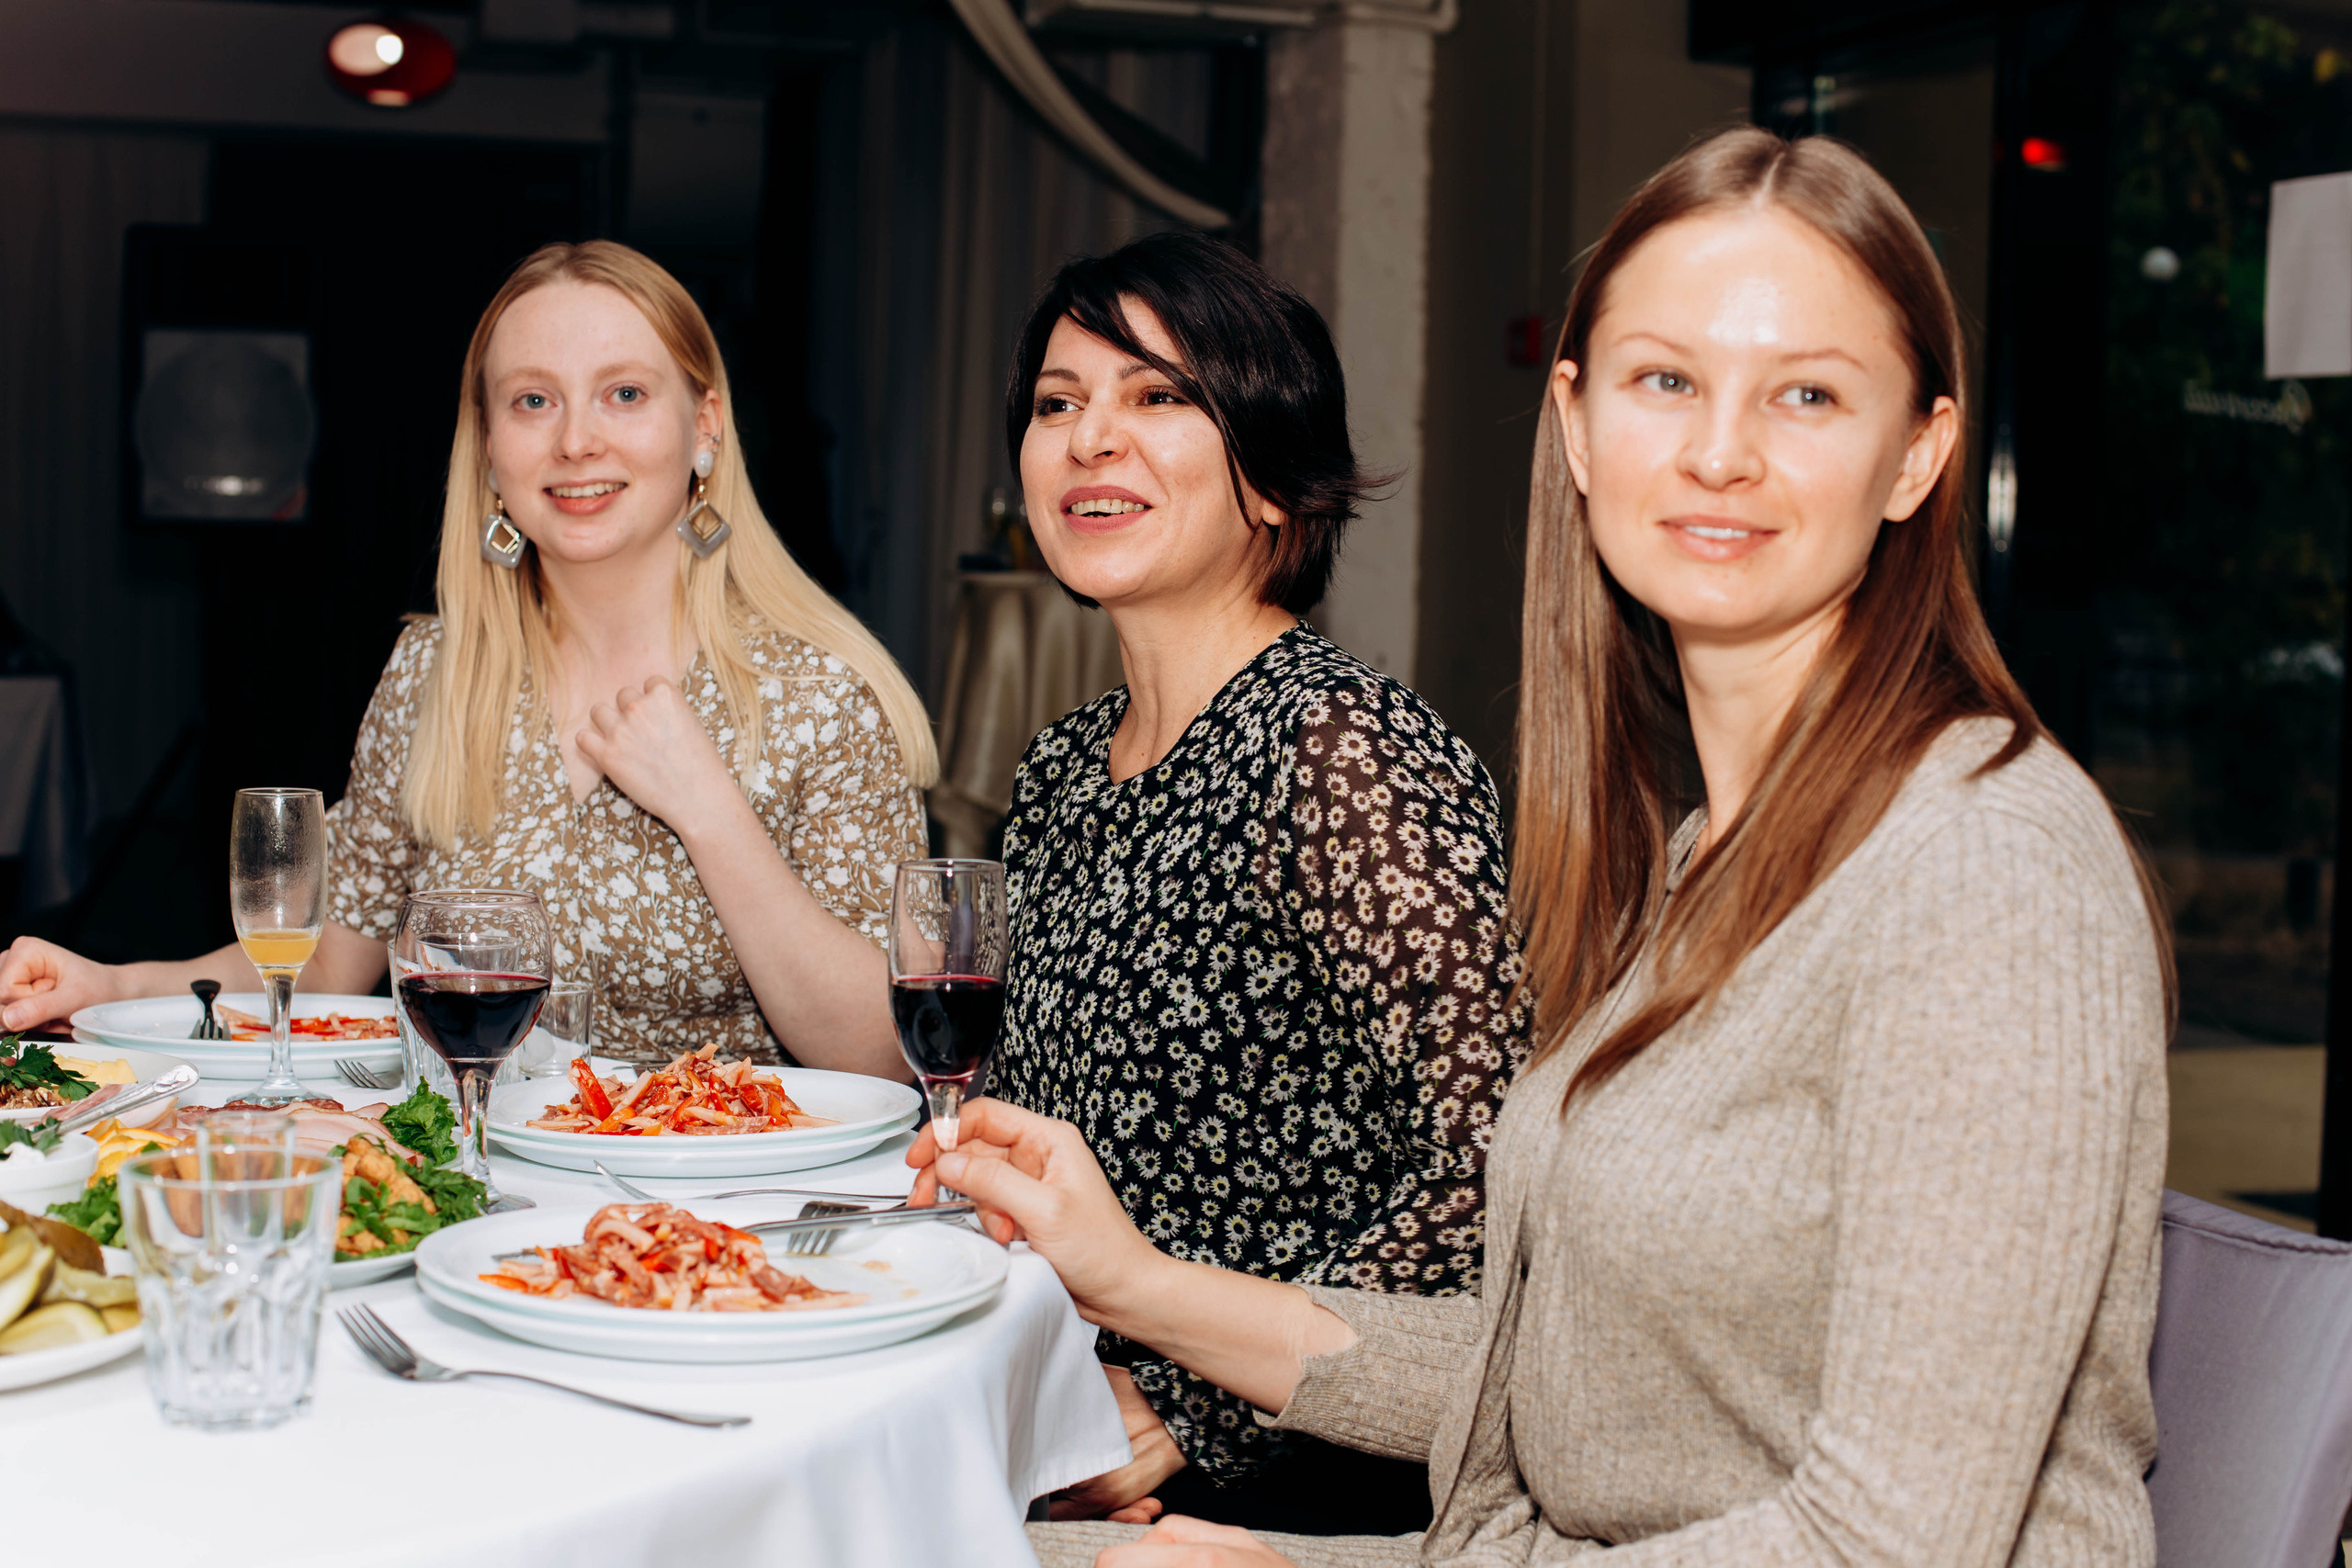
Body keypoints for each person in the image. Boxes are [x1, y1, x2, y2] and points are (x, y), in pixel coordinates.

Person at [917, 128, 2174, 1567]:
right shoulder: (1706, 854)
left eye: (1808, 393)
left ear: (1920, 455)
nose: (1720, 450)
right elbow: (1564, 1402)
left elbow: (1893, 1541)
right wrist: (1132, 1278)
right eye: (1666, 380)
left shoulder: (1986, 870)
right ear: (1577, 426)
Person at [0, 241, 934, 1075]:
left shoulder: (820, 696)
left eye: (624, 393)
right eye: (533, 401)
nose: (576, 440)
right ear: (490, 450)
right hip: (463, 1195)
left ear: (705, 427)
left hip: (719, 1227)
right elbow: (325, 961)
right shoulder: (433, 672)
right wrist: (112, 988)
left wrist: (708, 809)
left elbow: (884, 1055)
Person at [989, 231, 1528, 1532]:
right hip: (1068, 1408)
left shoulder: (1341, 749)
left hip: (1300, 1473)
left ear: (1279, 484)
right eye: (1059, 403)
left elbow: (1499, 1168)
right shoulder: (1064, 765)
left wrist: (1193, 1409)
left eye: (1159, 396)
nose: (1089, 439)